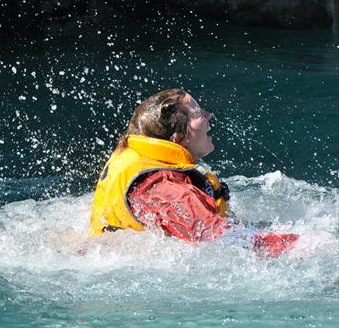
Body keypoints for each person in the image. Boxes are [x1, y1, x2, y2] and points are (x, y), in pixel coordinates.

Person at [90, 89, 298, 257]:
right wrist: (295, 245)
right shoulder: (161, 185)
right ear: (178, 138)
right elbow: (215, 238)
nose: (209, 116)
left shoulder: (139, 158)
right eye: (199, 115)